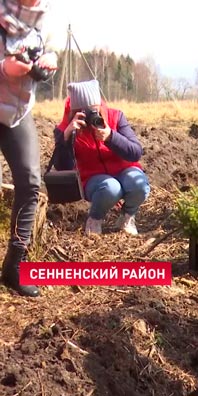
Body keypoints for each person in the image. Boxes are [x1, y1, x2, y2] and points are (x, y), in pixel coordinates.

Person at [0, 0, 57, 297]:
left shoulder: (45, 18)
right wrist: (4, 67)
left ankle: (14, 267)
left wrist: (48, 61)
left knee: (31, 182)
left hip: (17, 113)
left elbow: (52, 50)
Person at [53, 80, 150, 237]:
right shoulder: (65, 128)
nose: (92, 116)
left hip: (124, 169)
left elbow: (136, 152)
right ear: (76, 111)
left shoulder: (115, 117)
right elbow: (62, 166)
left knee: (138, 184)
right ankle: (95, 219)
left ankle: (127, 216)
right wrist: (66, 137)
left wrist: (111, 137)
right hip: (92, 178)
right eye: (86, 112)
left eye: (95, 110)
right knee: (111, 188)